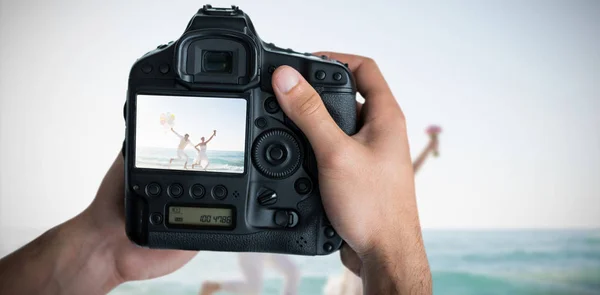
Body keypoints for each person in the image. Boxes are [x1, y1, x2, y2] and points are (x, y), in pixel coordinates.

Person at [0, 52, 432, 295]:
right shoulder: (187, 140)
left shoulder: (201, 142)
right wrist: (391, 255)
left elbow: (202, 134)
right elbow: (181, 132)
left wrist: (99, 254)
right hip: (185, 164)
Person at [323, 132, 440, 295]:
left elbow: (410, 173)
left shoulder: (369, 189)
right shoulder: (362, 189)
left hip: (362, 254)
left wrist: (428, 148)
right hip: (362, 254)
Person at [199, 253, 300, 295]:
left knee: (292, 271)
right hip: (251, 244)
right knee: (253, 289)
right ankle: (213, 286)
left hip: (271, 241)